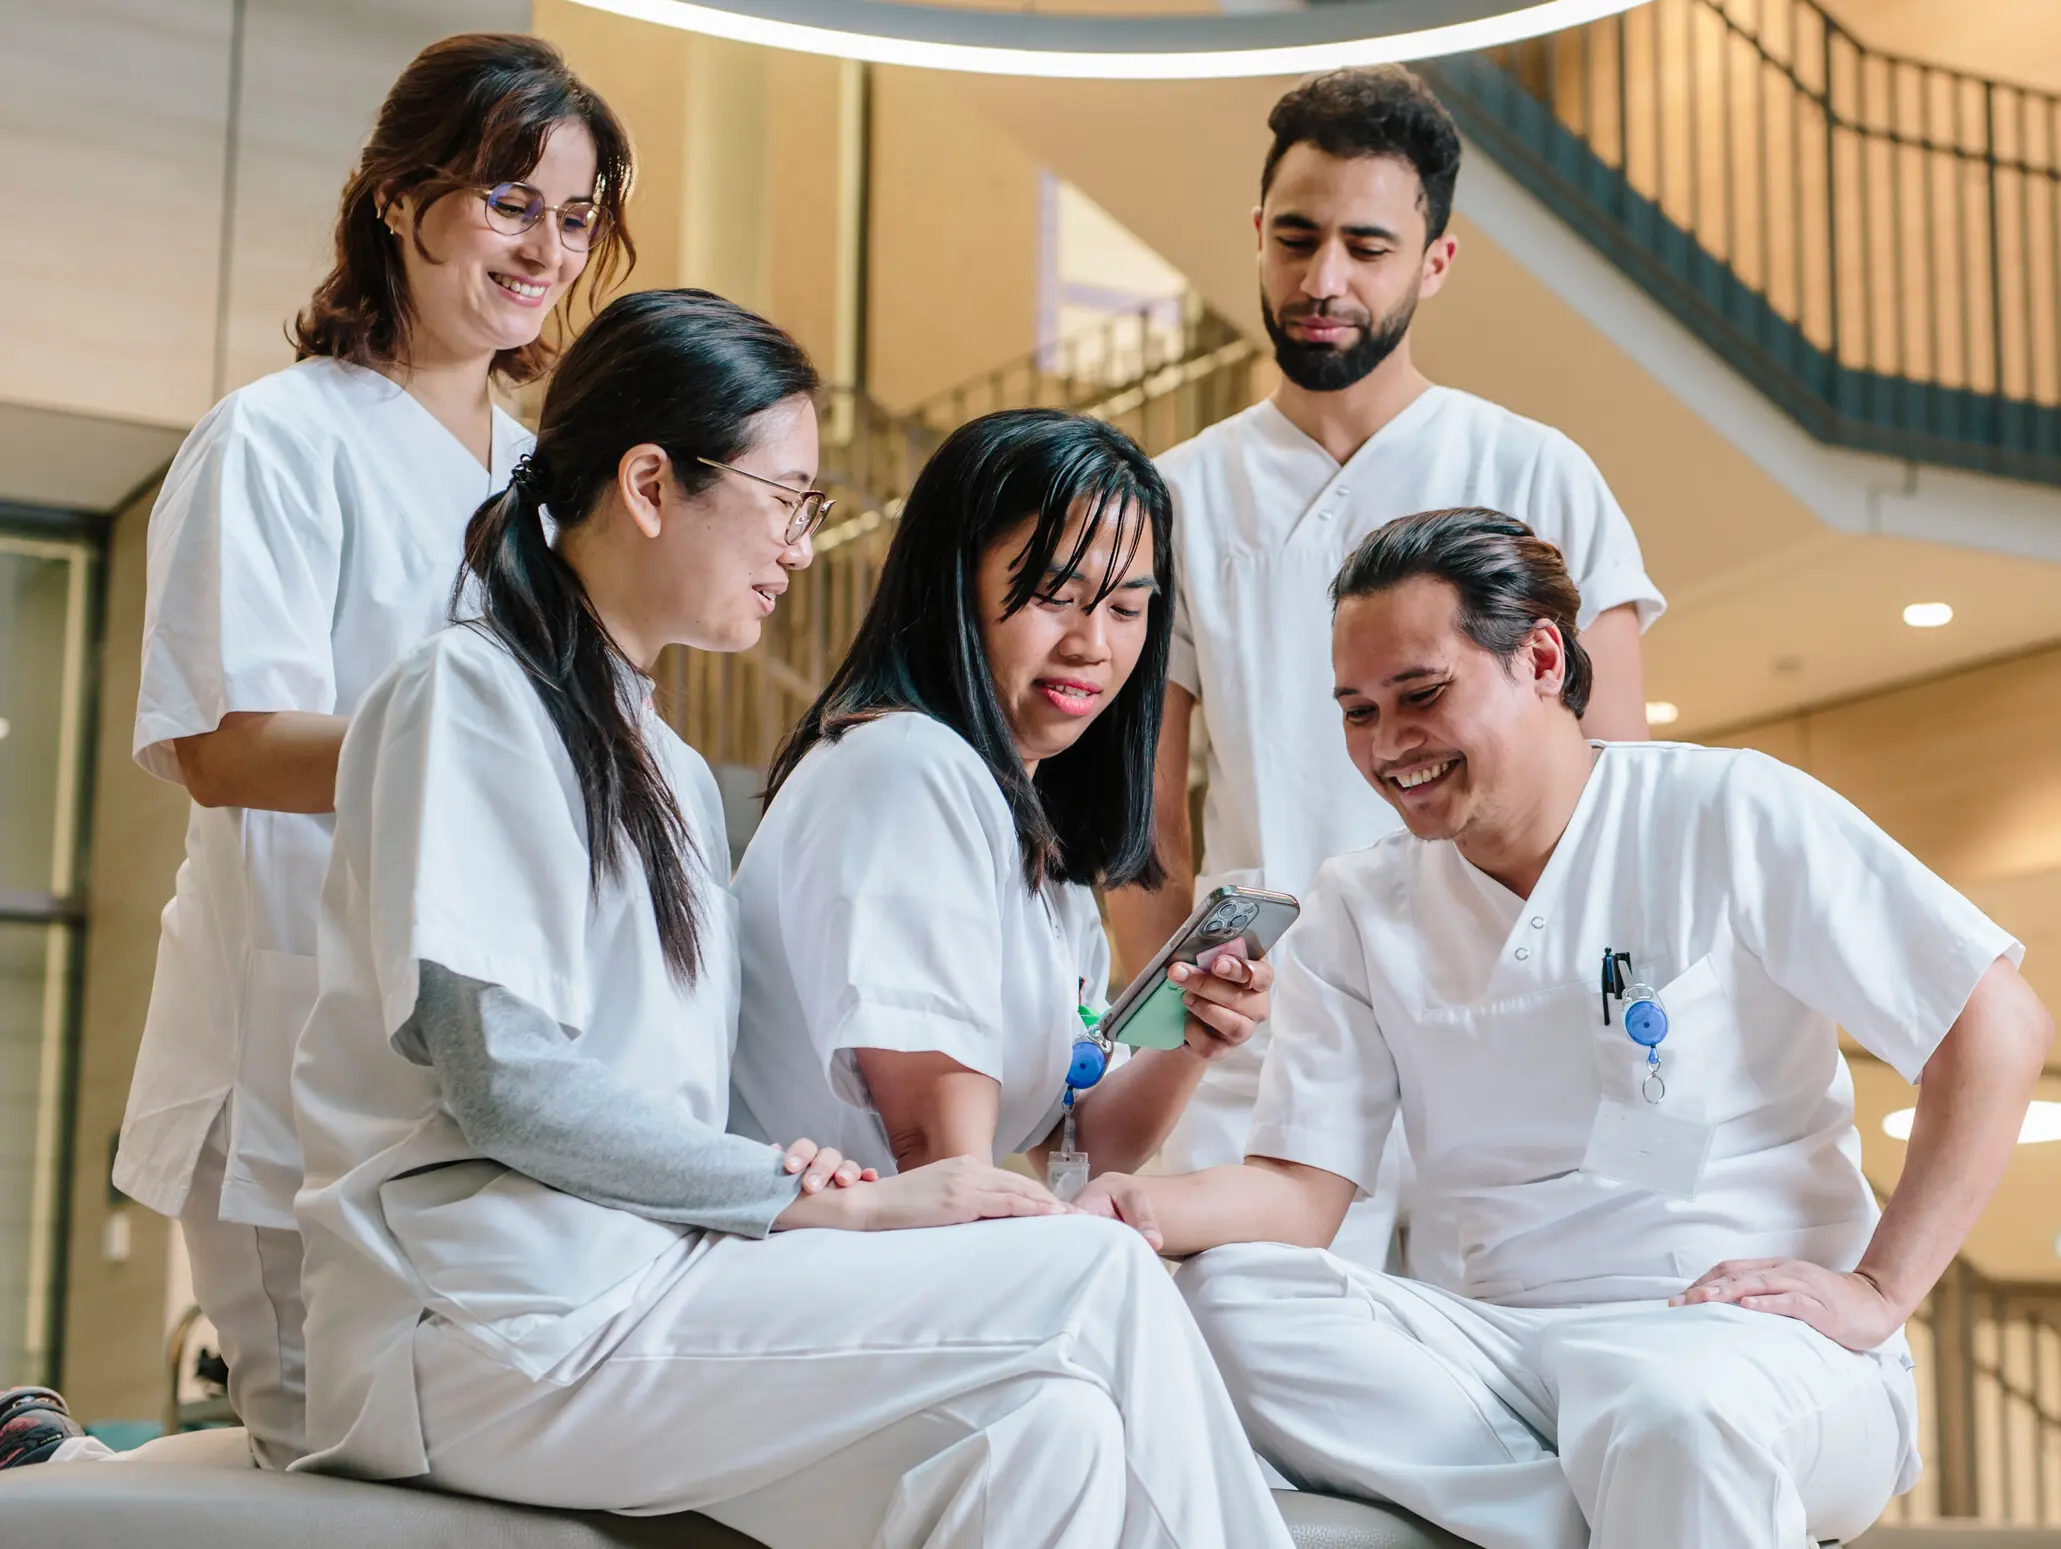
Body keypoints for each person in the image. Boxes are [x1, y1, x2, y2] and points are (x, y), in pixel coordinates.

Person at [287, 287, 1298, 1549]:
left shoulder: (663, 763)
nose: (803, 547)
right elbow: (498, 1079)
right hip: (485, 1311)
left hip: (642, 1283)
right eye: (788, 500)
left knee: (1049, 1443)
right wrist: (810, 1195)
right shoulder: (470, 694)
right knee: (1094, 1275)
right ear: (652, 485)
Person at [1074, 508, 2053, 1548]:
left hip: (1742, 1337)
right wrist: (1131, 1205)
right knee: (1230, 1300)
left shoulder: (1726, 809)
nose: (1386, 745)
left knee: (1671, 1411)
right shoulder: (1360, 902)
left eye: (1421, 695)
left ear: (1542, 656)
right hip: (1501, 1354)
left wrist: (1877, 1289)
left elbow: (1995, 1023)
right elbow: (1300, 1192)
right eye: (1357, 711)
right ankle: (1616, 1511)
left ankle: (1628, 1487)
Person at [0, 35, 635, 1471]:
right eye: (508, 199)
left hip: (471, 1068)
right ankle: (57, 1480)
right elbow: (224, 749)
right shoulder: (275, 443)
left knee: (433, 1462)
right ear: (401, 199)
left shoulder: (545, 490)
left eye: (576, 215)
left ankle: (58, 1472)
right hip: (286, 1029)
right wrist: (476, 755)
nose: (545, 246)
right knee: (330, 1452)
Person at [1105, 65, 1666, 1265]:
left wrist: (1624, 1046)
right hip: (1265, 1034)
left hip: (1510, 1026)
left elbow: (1623, 794)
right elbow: (1148, 825)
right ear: (1257, 236)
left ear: (1435, 261)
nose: (1324, 281)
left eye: (1367, 246)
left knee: (1514, 1384)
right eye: (1298, 239)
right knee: (1247, 1380)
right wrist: (1151, 1042)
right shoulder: (1179, 495)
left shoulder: (1537, 469)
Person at [729, 410, 1272, 1192]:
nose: (1092, 644)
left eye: (1125, 608)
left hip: (899, 1256)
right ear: (954, 584)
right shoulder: (907, 767)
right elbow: (939, 1161)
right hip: (810, 1260)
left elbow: (1078, 1146)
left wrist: (1188, 1039)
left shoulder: (1035, 834)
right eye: (1056, 595)